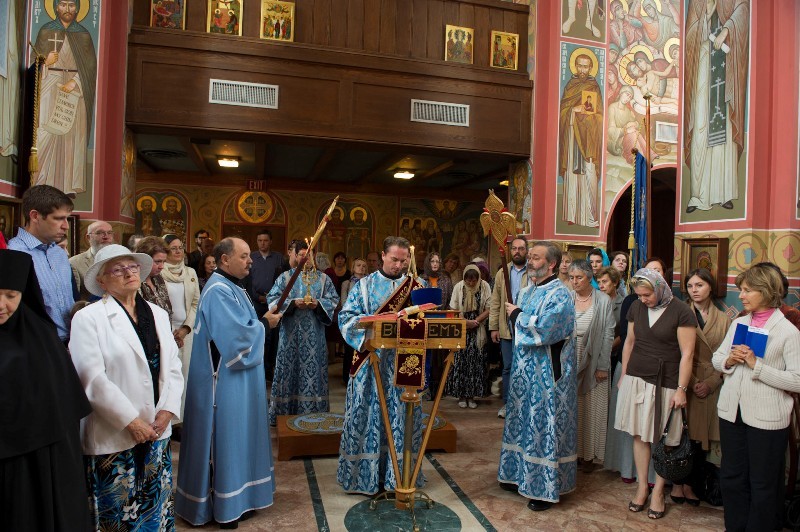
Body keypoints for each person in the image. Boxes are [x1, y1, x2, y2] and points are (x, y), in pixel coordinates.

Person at [69, 244, 184, 530]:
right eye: (118, 270)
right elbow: (91, 378)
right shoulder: (88, 318)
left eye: (132, 267)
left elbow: (173, 366)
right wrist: (131, 421)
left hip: (157, 430)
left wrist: (168, 410)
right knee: (118, 517)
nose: (128, 273)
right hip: (115, 436)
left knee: (155, 512)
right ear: (102, 281)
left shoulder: (157, 314)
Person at [175, 237, 280, 527]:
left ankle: (241, 498)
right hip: (223, 382)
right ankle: (224, 505)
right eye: (244, 256)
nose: (250, 261)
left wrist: (259, 322)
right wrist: (265, 324)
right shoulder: (219, 290)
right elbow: (236, 340)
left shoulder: (232, 286)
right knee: (227, 439)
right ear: (225, 260)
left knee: (241, 437)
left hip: (239, 380)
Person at [0, 250, 91, 531]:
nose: (1, 305)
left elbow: (61, 408)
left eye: (10, 295)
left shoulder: (41, 337)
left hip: (37, 463)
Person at [712, 264, 800, 531]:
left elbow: (797, 380)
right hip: (731, 412)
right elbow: (717, 359)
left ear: (766, 291)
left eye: (748, 290)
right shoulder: (738, 322)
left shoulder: (788, 332)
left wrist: (756, 366)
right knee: (731, 478)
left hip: (766, 418)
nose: (741, 295)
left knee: (762, 483)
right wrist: (728, 359)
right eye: (741, 289)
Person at [337, 236, 426, 494]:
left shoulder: (415, 286)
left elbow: (427, 318)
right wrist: (367, 335)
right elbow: (346, 317)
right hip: (371, 362)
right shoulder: (364, 286)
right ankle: (363, 477)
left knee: (401, 419)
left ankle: (397, 477)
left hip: (404, 365)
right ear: (384, 256)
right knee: (365, 416)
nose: (398, 265)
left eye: (403, 260)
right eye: (394, 259)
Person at [497, 241, 577, 511]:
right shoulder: (527, 291)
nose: (529, 261)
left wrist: (518, 314)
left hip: (547, 377)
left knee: (542, 426)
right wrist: (517, 314)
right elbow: (518, 327)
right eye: (529, 257)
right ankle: (515, 474)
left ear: (551, 264)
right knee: (521, 422)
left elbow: (546, 329)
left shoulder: (561, 295)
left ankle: (543, 488)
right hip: (524, 374)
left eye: (535, 258)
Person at [616, 267, 696, 520]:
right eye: (639, 295)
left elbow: (687, 354)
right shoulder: (636, 308)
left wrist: (682, 389)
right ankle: (642, 487)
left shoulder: (681, 311)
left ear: (659, 288)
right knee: (640, 435)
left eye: (647, 295)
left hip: (668, 382)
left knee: (667, 441)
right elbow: (629, 342)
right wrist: (625, 375)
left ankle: (659, 491)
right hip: (637, 377)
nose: (643, 300)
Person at [670, 268, 730, 506]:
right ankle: (678, 484)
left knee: (703, 439)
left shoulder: (725, 320)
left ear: (710, 288)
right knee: (683, 435)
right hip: (687, 381)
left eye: (700, 285)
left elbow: (728, 355)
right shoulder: (680, 313)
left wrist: (713, 381)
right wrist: (693, 383)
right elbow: (676, 352)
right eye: (691, 286)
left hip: (713, 383)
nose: (694, 290)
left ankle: (693, 485)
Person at [605, 257, 667, 484]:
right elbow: (627, 340)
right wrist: (626, 372)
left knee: (653, 427)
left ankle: (654, 477)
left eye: (658, 271)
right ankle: (627, 469)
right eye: (649, 271)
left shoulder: (672, 305)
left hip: (659, 372)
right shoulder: (632, 302)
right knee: (631, 427)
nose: (653, 275)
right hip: (631, 368)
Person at [684, 0, 749, 213]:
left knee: (725, 129)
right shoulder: (697, 2)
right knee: (701, 124)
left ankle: (724, 193)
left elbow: (743, 11)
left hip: (726, 68)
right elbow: (690, 35)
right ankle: (698, 195)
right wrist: (706, 16)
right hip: (704, 63)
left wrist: (727, 28)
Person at [267, 241, 339, 426]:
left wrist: (319, 304)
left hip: (315, 337)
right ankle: (283, 415)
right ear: (295, 256)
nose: (306, 259)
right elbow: (272, 299)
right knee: (288, 370)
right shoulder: (285, 278)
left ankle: (314, 414)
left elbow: (333, 299)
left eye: (310, 255)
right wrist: (292, 303)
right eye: (302, 255)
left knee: (313, 372)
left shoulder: (323, 279)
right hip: (290, 335)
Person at [32, 0, 97, 196]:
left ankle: (66, 186)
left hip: (74, 87)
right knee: (46, 129)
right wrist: (45, 62)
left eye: (71, 5)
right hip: (50, 83)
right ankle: (40, 181)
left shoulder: (83, 35)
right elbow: (32, 67)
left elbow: (90, 68)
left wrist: (75, 82)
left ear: (78, 8)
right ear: (55, 7)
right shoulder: (45, 31)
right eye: (63, 4)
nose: (67, 10)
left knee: (71, 134)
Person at [8, 185, 75, 341]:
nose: (66, 225)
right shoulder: (15, 253)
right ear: (35, 216)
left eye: (67, 218)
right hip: (39, 345)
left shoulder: (59, 253)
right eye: (58, 218)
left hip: (72, 342)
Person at [568, 260, 615, 469]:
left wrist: (603, 365)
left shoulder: (603, 300)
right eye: (571, 278)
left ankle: (590, 455)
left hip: (595, 358)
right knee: (573, 407)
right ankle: (572, 452)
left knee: (592, 408)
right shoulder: (566, 298)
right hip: (570, 357)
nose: (575, 282)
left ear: (589, 278)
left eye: (579, 277)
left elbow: (608, 334)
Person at [559, 52, 604, 228]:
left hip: (588, 141)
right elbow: (562, 111)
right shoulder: (571, 85)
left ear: (591, 68)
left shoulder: (594, 87)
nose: (582, 70)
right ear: (575, 66)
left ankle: (590, 217)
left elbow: (599, 115)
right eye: (580, 65)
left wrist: (587, 116)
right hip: (572, 139)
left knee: (589, 176)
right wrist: (572, 111)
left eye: (586, 66)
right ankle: (572, 214)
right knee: (572, 176)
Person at [489, 237, 530, 418]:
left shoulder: (533, 272)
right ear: (510, 250)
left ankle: (524, 404)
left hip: (526, 327)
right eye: (514, 248)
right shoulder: (502, 272)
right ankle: (507, 404)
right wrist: (494, 327)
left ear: (526, 251)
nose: (517, 252)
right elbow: (496, 301)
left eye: (521, 248)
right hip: (506, 327)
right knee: (508, 367)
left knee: (525, 366)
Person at [161, 233, 200, 414]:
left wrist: (185, 328)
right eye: (173, 248)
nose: (178, 251)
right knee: (167, 375)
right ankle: (168, 416)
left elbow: (195, 303)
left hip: (186, 331)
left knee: (185, 375)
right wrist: (170, 330)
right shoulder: (159, 272)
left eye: (180, 247)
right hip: (165, 331)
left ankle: (183, 417)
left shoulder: (190, 272)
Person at [445, 265, 491, 409]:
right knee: (461, 361)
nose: (471, 283)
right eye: (468, 281)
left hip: (478, 326)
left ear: (478, 279)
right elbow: (453, 308)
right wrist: (465, 322)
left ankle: (472, 396)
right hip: (461, 326)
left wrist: (476, 321)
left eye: (474, 281)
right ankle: (461, 395)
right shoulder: (459, 287)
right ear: (464, 279)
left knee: (476, 361)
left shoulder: (485, 286)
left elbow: (489, 308)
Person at [248, 229, 283, 379]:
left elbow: (282, 279)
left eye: (265, 240)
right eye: (260, 240)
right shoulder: (251, 258)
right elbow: (247, 281)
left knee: (272, 337)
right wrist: (258, 297)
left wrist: (272, 298)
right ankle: (257, 367)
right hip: (256, 302)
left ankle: (269, 368)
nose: (263, 243)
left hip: (274, 303)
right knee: (258, 334)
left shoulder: (278, 258)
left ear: (270, 241)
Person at [69, 220, 114, 300]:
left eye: (109, 233)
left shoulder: (120, 259)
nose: (106, 236)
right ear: (88, 237)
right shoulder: (75, 263)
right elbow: (75, 299)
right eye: (100, 233)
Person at [340, 258, 368, 383]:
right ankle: (347, 376)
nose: (361, 268)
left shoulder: (369, 282)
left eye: (363, 266)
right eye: (358, 265)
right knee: (349, 349)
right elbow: (343, 301)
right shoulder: (347, 283)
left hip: (366, 318)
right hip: (351, 317)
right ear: (353, 267)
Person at [135, 236, 173, 318]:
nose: (162, 266)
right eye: (158, 261)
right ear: (144, 259)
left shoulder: (158, 278)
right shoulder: (135, 282)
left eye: (164, 261)